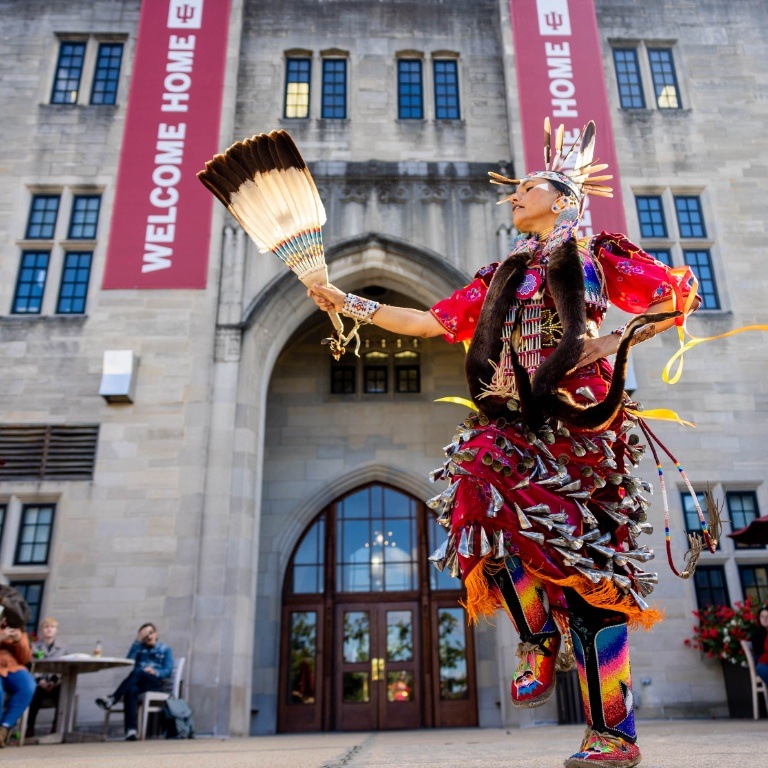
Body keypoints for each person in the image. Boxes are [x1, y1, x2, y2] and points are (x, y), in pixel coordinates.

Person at [310, 118, 701, 768]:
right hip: (514, 420)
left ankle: (612, 735)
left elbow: (675, 295)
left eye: (526, 189)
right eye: (513, 191)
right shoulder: (502, 272)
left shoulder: (599, 253)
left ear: (561, 195)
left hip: (583, 419)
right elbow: (432, 320)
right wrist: (347, 302)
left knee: (591, 580)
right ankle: (537, 636)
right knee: (475, 504)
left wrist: (612, 341)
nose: (513, 197)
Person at [95, 622, 173, 741]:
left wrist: (155, 671)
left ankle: (112, 699)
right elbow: (129, 660)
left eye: (150, 633)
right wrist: (137, 641)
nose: (148, 636)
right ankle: (131, 731)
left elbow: (168, 671)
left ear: (156, 634)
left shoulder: (165, 649)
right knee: (131, 690)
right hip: (138, 683)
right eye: (145, 634)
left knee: (138, 671)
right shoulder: (139, 648)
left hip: (154, 682)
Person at [0, 586, 36, 747]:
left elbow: (25, 658)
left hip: (11, 666)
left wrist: (19, 639)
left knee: (28, 686)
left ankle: (5, 728)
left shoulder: (15, 623)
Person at [25, 616, 67, 739]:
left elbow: (63, 667)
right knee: (34, 695)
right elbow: (30, 665)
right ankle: (29, 728)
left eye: (52, 627)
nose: (49, 630)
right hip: (39, 683)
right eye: (46, 627)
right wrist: (40, 680)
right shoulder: (33, 647)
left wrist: (53, 681)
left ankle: (56, 727)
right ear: (41, 630)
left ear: (56, 630)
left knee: (62, 694)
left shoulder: (63, 648)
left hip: (55, 683)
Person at [750, 605, 768, 686]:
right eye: (762, 616)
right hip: (763, 662)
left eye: (767, 616)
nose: (765, 619)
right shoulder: (757, 635)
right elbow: (759, 652)